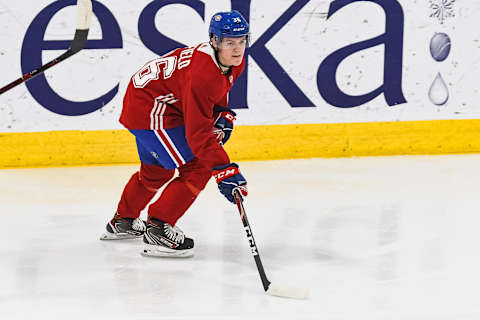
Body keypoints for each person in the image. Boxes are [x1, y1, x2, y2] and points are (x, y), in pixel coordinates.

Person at [100, 10, 250, 258]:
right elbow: (198, 134)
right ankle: (158, 227)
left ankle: (123, 221)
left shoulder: (231, 62)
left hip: (153, 103)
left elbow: (215, 92)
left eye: (242, 41)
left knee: (157, 171)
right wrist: (224, 169)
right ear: (214, 41)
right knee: (199, 167)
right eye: (229, 42)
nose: (237, 49)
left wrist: (222, 114)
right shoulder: (203, 73)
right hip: (151, 110)